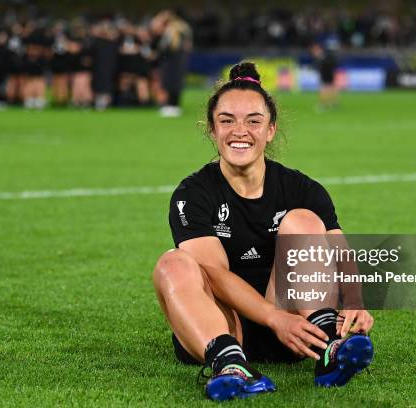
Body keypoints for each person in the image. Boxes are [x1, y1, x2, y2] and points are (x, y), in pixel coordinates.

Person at [152, 62, 374, 401]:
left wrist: (356, 302)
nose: (240, 131)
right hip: (223, 328)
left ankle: (329, 345)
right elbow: (213, 276)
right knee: (171, 263)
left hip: (293, 330)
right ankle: (231, 366)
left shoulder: (301, 188)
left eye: (253, 121)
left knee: (302, 220)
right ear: (212, 130)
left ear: (270, 130)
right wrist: (272, 318)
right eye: (227, 120)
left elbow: (339, 251)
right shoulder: (193, 194)